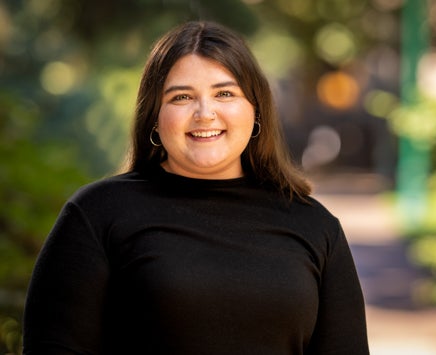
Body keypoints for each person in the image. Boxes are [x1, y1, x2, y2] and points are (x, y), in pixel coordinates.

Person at [23, 21, 369, 354]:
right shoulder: (97, 214)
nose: (205, 113)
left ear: (255, 111)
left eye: (224, 93)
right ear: (155, 117)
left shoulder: (315, 226)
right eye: (181, 97)